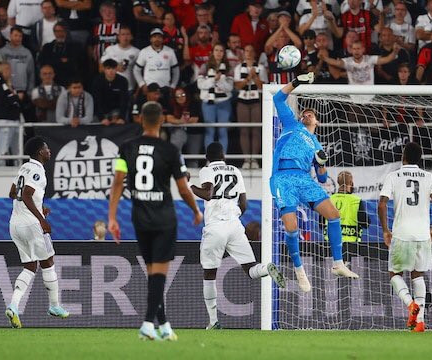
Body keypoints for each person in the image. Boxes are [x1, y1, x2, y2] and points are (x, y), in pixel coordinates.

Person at [108, 101, 203, 341]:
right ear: (161, 121)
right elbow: (182, 189)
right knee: (159, 275)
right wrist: (195, 210)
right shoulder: (170, 150)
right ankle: (148, 324)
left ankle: (165, 326)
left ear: (141, 119)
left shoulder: (126, 148)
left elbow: (118, 182)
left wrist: (112, 217)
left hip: (140, 217)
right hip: (163, 219)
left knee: (153, 275)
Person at [271, 72, 358, 293]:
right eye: (305, 112)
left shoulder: (317, 145)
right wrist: (297, 82)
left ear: (317, 122)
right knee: (291, 227)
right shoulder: (291, 124)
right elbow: (277, 99)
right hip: (283, 177)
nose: (307, 114)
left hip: (303, 178)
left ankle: (338, 264)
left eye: (311, 114)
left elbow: (321, 178)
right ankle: (300, 271)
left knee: (333, 214)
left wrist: (321, 164)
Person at [191, 142, 285, 330]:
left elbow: (208, 194)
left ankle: (213, 321)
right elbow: (244, 204)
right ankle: (266, 268)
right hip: (235, 225)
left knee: (210, 274)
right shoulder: (235, 170)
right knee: (251, 270)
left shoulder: (206, 170)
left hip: (215, 226)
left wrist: (189, 185)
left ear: (207, 158)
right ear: (224, 156)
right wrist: (232, 215)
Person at [378, 142, 432, 333]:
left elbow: (382, 205)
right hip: (423, 234)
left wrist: (385, 230)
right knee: (418, 275)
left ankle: (410, 304)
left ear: (403, 156)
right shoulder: (428, 176)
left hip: (401, 233)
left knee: (395, 274)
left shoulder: (393, 176)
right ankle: (420, 321)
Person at [5, 137, 69, 328]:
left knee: (30, 266)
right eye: (47, 148)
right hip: (31, 225)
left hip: (15, 223)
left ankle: (14, 306)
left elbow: (12, 193)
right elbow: (25, 195)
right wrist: (41, 219)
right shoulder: (37, 170)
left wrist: (41, 207)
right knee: (48, 261)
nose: (49, 151)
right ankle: (55, 306)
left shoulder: (23, 168)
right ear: (40, 152)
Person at [197, 43, 234, 152]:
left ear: (224, 53)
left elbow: (229, 87)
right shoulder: (205, 66)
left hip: (224, 102)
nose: (218, 53)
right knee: (210, 131)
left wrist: (220, 80)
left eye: (221, 51)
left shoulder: (228, 68)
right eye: (216, 50)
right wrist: (213, 80)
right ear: (212, 52)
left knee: (223, 131)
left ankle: (223, 157)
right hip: (208, 102)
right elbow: (200, 85)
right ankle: (210, 158)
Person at [234, 44, 266, 169]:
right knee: (244, 130)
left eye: (251, 50)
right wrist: (248, 77)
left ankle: (255, 159)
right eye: (246, 50)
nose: (248, 53)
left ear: (254, 53)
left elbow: (262, 86)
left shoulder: (261, 68)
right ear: (243, 53)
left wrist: (255, 76)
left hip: (256, 100)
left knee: (256, 130)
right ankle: (247, 159)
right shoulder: (238, 68)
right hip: (242, 100)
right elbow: (237, 86)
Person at [134, 28, 180, 97]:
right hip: (149, 89)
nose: (157, 39)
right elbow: (136, 70)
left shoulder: (170, 51)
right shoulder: (144, 52)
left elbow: (176, 70)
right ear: (151, 39)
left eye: (159, 37)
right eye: (154, 37)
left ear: (162, 39)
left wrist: (173, 86)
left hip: (165, 88)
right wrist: (142, 84)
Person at [325, 171, 369, 243]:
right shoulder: (356, 201)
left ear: (338, 182)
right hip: (351, 244)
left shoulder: (328, 200)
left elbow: (321, 223)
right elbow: (366, 224)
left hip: (330, 243)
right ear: (351, 182)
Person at [38, 22, 86, 87]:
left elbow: (78, 64)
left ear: (66, 31)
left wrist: (56, 61)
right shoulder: (47, 47)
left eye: (61, 31)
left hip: (70, 81)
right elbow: (43, 63)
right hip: (52, 80)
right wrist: (62, 61)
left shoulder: (76, 47)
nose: (59, 33)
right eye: (56, 31)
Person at [0, 62, 22, 166]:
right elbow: (4, 100)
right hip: (4, 119)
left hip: (15, 119)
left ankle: (20, 170)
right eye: (7, 69)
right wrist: (15, 98)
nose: (10, 72)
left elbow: (15, 100)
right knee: (3, 149)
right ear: (2, 70)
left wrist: (15, 98)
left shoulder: (9, 84)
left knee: (18, 149)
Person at [100, 25, 140, 95]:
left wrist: (136, 92)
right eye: (123, 34)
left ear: (131, 37)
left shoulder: (137, 52)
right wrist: (115, 67)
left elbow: (140, 72)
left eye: (128, 34)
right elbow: (100, 68)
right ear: (118, 37)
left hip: (129, 89)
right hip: (111, 88)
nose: (125, 37)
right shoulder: (110, 49)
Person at [91, 58, 129, 125]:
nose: (111, 71)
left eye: (113, 68)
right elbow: (96, 101)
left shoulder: (123, 81)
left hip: (116, 110)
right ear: (104, 69)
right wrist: (102, 118)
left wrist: (121, 117)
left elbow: (124, 100)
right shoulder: (97, 81)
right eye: (108, 68)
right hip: (101, 110)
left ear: (116, 69)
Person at [166, 87, 198, 154]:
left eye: (183, 95)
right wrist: (181, 122)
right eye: (178, 96)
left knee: (193, 157)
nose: (181, 98)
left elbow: (195, 119)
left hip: (194, 132)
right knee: (178, 137)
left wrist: (181, 121)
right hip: (178, 131)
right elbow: (169, 118)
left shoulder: (193, 104)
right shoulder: (172, 105)